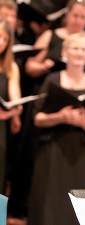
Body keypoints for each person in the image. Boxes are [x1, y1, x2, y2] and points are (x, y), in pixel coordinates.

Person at [29, 33, 85, 225]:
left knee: (74, 207)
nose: (80, 53)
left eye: (84, 49)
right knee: (48, 201)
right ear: (65, 52)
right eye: (75, 48)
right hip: (52, 148)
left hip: (80, 153)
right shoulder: (53, 80)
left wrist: (83, 122)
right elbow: (38, 118)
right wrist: (60, 117)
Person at [26, 0, 85, 88]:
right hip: (50, 87)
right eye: (75, 16)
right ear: (67, 14)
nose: (78, 21)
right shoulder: (49, 35)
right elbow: (30, 67)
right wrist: (44, 67)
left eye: (82, 17)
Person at [0, 19, 21, 193]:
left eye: (5, 39)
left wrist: (12, 112)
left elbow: (15, 99)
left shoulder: (11, 67)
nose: (0, 42)